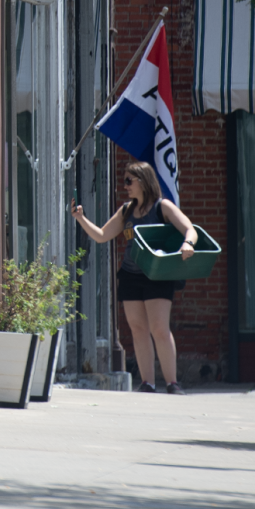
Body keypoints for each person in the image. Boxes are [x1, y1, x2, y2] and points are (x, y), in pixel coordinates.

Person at [72, 161, 197, 394]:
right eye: (125, 180)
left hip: (157, 274)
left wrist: (188, 244)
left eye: (130, 180)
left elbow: (189, 228)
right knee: (138, 329)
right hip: (131, 274)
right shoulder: (126, 210)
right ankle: (147, 383)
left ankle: (172, 383)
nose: (126, 185)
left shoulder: (163, 207)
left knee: (159, 328)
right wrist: (81, 218)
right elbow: (101, 235)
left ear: (144, 180)